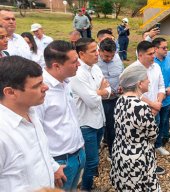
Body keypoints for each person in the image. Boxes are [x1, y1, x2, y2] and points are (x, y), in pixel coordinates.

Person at [0, 56, 65, 191]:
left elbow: (41, 149)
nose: (46, 87)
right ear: (10, 92)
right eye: (37, 85)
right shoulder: (3, 134)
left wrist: (52, 167)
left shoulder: (31, 111)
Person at [34, 40, 86, 191]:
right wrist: (53, 166)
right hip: (60, 162)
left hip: (77, 153)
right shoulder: (40, 91)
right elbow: (36, 134)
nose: (79, 65)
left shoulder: (65, 82)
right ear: (57, 66)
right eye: (75, 61)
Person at [110, 64, 161, 191]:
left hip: (120, 153)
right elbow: (153, 134)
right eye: (146, 79)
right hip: (137, 158)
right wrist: (150, 116)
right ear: (139, 83)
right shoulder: (141, 106)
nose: (149, 81)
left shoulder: (121, 100)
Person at [70, 38, 111, 191]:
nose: (97, 53)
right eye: (93, 51)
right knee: (91, 161)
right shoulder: (77, 74)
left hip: (99, 120)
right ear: (81, 53)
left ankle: (87, 184)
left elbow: (109, 91)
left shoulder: (96, 68)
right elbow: (93, 101)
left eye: (98, 50)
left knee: (94, 159)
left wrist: (97, 92)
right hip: (86, 123)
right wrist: (100, 91)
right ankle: (86, 188)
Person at [129, 40, 166, 175]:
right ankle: (138, 167)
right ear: (140, 55)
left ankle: (151, 165)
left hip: (155, 111)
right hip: (139, 113)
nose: (153, 56)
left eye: (153, 53)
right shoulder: (133, 70)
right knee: (138, 142)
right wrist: (152, 104)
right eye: (150, 54)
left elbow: (161, 86)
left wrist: (158, 103)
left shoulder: (156, 67)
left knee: (152, 140)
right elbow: (133, 93)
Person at [97, 38, 124, 157]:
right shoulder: (93, 62)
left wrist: (121, 86)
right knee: (101, 126)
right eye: (106, 56)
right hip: (100, 100)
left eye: (111, 56)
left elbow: (122, 76)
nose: (109, 59)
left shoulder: (117, 59)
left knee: (113, 126)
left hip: (115, 98)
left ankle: (112, 152)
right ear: (99, 51)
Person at [152, 37, 170, 154]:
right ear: (156, 48)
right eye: (164, 48)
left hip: (167, 99)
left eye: (167, 47)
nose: (167, 50)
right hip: (153, 100)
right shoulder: (151, 62)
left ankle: (158, 145)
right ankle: (149, 145)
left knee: (163, 122)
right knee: (153, 123)